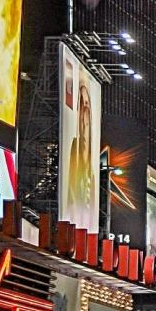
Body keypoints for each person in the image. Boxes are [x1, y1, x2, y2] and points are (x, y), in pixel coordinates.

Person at [67, 82, 96, 231]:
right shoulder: (72, 151)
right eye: (82, 105)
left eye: (87, 105)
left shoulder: (93, 171)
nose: (84, 111)